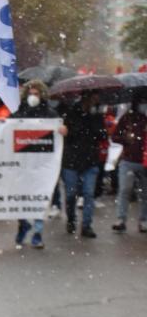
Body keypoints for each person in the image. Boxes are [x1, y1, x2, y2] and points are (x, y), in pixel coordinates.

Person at [12, 81, 66, 248]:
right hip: (23, 163)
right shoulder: (20, 112)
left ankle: (37, 232)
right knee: (22, 198)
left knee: (40, 198)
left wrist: (62, 130)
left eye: (36, 94)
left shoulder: (50, 114)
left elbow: (58, 130)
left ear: (42, 95)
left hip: (42, 164)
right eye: (30, 94)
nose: (33, 97)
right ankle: (23, 225)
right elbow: (6, 127)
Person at [61, 91, 108, 238]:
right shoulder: (71, 113)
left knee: (88, 193)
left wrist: (95, 122)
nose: (96, 101)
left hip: (90, 160)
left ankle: (86, 225)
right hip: (71, 160)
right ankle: (71, 219)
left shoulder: (97, 116)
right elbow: (68, 134)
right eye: (94, 98)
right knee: (71, 194)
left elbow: (103, 135)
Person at [111, 96, 147, 233]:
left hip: (145, 162)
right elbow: (115, 136)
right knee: (125, 190)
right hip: (129, 160)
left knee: (145, 194)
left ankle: (143, 220)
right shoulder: (127, 118)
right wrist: (125, 139)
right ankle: (121, 219)